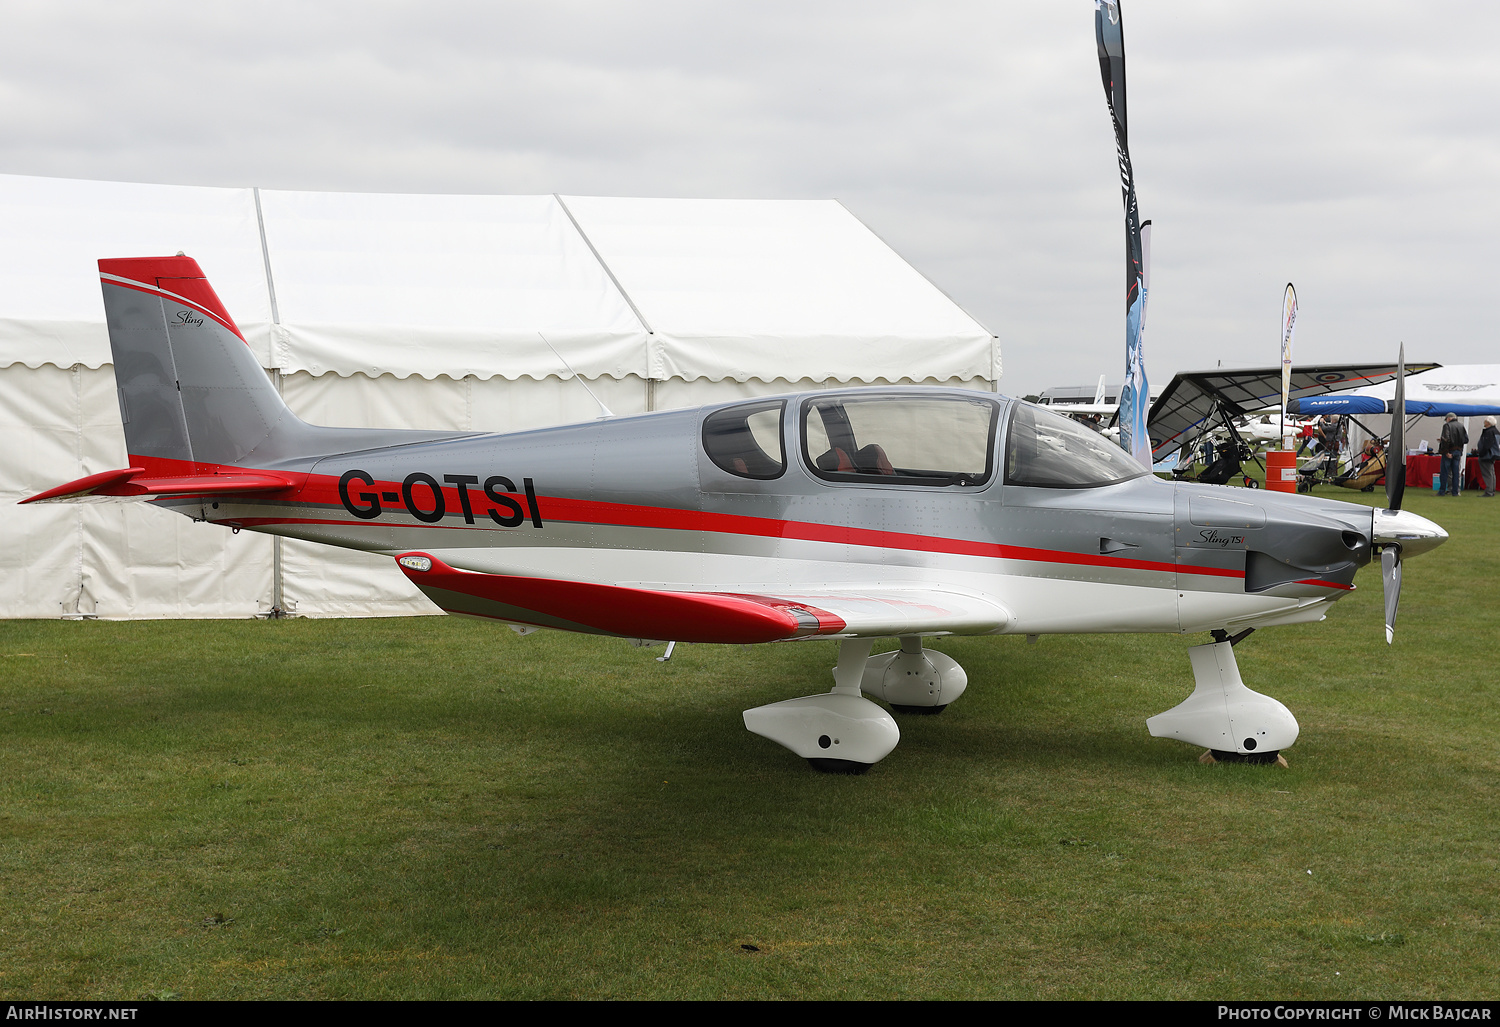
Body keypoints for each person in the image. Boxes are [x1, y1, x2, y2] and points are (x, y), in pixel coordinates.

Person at [1438, 413, 1469, 496]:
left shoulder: (1447, 426)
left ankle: (1442, 491)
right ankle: (1455, 492)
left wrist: (1446, 451)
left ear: (1448, 418)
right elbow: (1466, 440)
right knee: (1456, 473)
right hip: (1458, 452)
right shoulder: (1461, 426)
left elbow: (1446, 439)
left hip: (1449, 451)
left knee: (1445, 472)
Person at [1478, 415, 1499, 498]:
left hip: (1487, 455)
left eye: (1485, 421)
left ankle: (1489, 491)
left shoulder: (1489, 432)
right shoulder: (1496, 431)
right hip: (1493, 454)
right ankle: (1492, 490)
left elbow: (1487, 444)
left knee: (1487, 474)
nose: (1484, 422)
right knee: (1491, 473)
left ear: (1488, 423)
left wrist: (1481, 453)